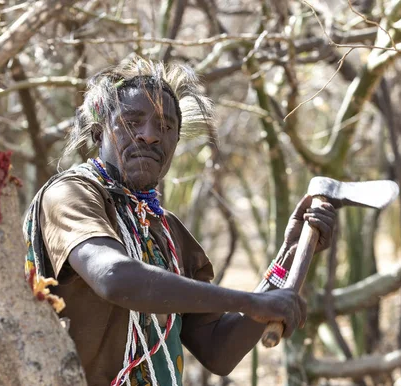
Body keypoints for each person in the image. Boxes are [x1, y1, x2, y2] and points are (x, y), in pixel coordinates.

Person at [23, 57, 336, 386]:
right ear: (100, 133)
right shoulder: (71, 194)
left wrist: (290, 253)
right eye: (132, 122)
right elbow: (114, 277)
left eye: (165, 126)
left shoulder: (167, 232)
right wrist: (250, 301)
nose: (150, 136)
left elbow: (219, 351)